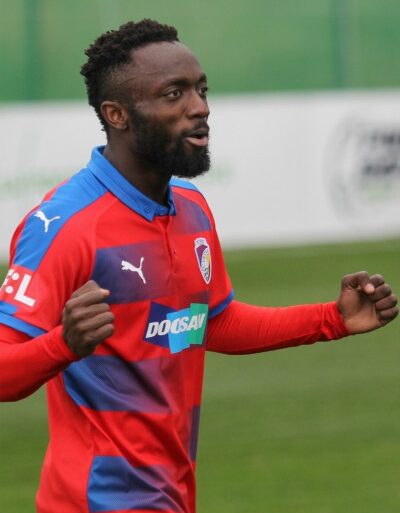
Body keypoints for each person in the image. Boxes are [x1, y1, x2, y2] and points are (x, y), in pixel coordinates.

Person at [0, 19, 397, 513]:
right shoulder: (65, 225)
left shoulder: (190, 205)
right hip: (95, 501)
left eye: (201, 90)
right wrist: (63, 344)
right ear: (117, 114)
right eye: (174, 94)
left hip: (170, 495)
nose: (200, 107)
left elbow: (212, 321)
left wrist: (332, 319)